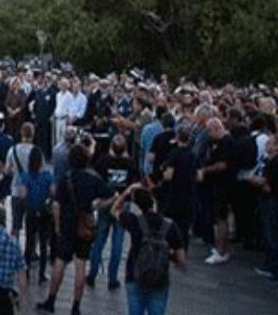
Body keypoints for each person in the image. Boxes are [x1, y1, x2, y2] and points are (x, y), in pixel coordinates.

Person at [37, 145, 114, 315]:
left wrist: (57, 227)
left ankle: (51, 300)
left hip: (66, 225)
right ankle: (76, 306)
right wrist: (97, 205)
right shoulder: (93, 179)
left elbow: (56, 204)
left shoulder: (67, 178)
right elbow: (111, 195)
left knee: (60, 263)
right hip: (84, 227)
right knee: (81, 266)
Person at [113, 185, 185, 315]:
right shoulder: (170, 225)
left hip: (135, 275)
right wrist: (167, 255)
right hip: (160, 279)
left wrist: (125, 193)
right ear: (154, 202)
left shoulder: (133, 221)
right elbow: (181, 260)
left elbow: (114, 210)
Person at [88, 134, 139, 289]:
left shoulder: (103, 161)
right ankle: (112, 278)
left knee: (99, 240)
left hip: (106, 202)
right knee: (118, 242)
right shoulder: (131, 164)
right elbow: (134, 184)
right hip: (123, 204)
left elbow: (95, 179)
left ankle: (92, 274)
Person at [199, 117, 235, 264]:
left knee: (221, 218)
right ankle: (219, 247)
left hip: (223, 185)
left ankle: (222, 250)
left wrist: (205, 170)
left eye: (209, 131)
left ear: (216, 128)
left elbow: (222, 165)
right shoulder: (216, 142)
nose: (208, 134)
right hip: (215, 185)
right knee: (218, 217)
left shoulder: (227, 142)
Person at [20, 146, 55, 284]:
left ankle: (27, 269)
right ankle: (42, 273)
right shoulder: (48, 175)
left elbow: (23, 194)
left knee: (30, 241)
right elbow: (53, 191)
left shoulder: (26, 174)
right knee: (43, 242)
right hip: (44, 211)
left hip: (31, 211)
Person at [249, 134, 278, 282]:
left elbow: (266, 184)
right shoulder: (267, 160)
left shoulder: (277, 163)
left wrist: (256, 180)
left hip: (273, 202)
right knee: (268, 233)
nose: (267, 145)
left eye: (270, 143)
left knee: (272, 234)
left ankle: (276, 270)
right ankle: (269, 265)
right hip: (265, 200)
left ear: (277, 146)